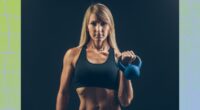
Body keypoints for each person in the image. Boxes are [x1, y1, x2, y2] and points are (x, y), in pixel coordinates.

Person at [56, 3, 137, 110]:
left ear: (110, 27)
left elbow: (125, 101)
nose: (98, 29)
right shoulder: (72, 55)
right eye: (93, 23)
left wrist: (125, 67)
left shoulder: (118, 57)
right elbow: (63, 93)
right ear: (87, 27)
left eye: (103, 23)